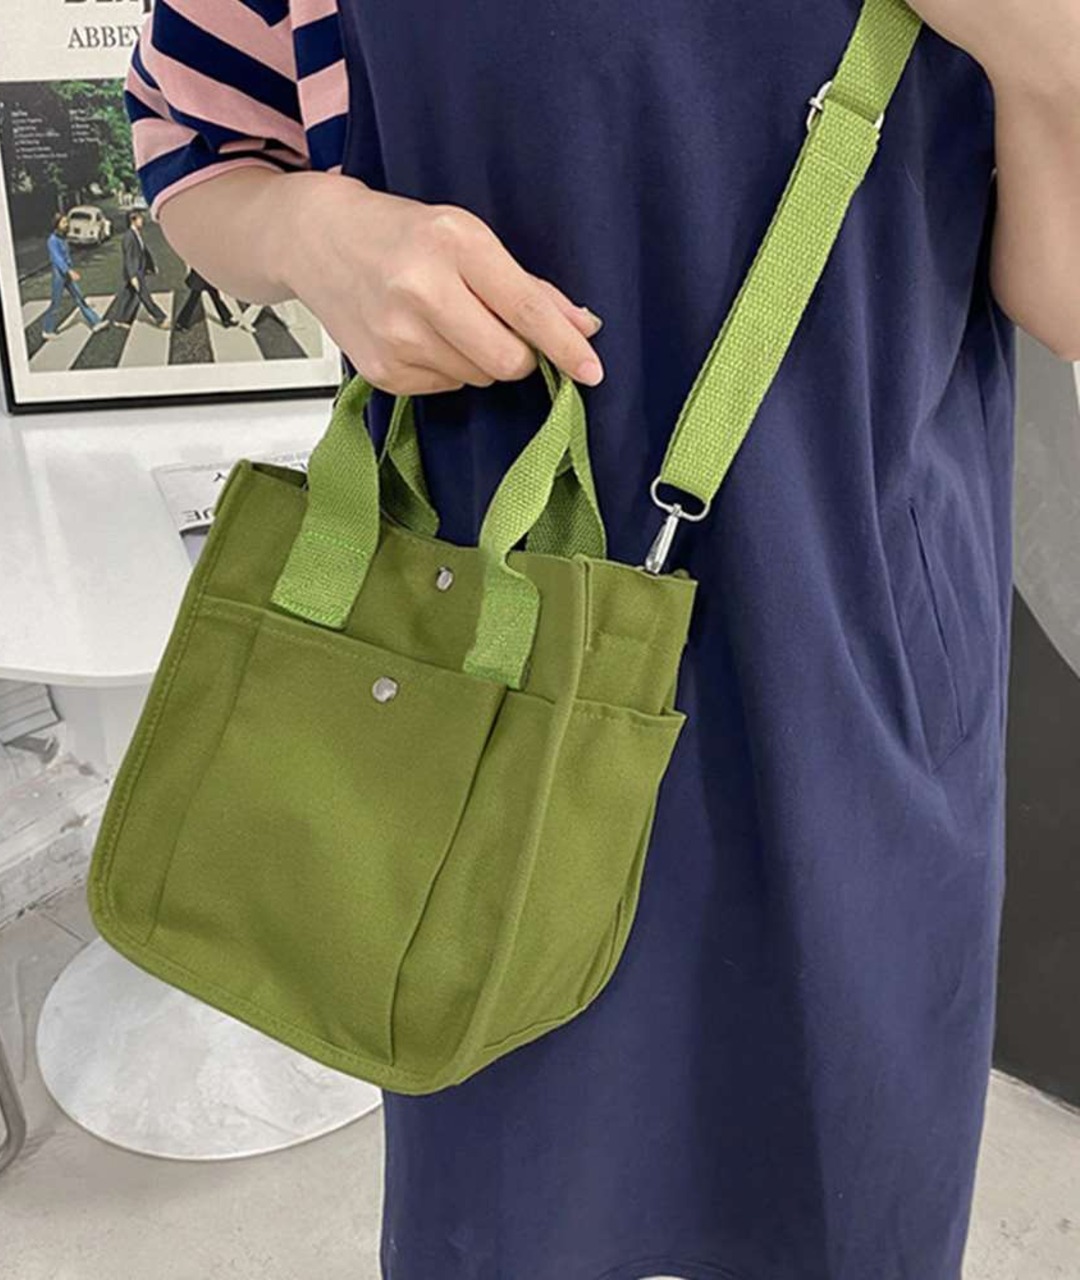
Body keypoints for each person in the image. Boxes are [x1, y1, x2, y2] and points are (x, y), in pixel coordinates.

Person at [123, 2, 1080, 1278]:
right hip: (493, 691)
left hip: (856, 686)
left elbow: (1060, 300)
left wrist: (1051, 55)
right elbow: (192, 139)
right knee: (513, 1196)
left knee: (848, 1199)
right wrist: (316, 231)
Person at [41, 214, 106, 338]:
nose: (66, 224)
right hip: (59, 274)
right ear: (57, 224)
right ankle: (47, 330)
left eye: (67, 222)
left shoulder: (63, 238)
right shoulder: (52, 240)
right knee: (56, 303)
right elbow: (57, 259)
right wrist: (69, 271)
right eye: (64, 222)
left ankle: (95, 322)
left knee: (79, 297)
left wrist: (70, 268)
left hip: (67, 272)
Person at [112, 210, 170, 329]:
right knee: (144, 296)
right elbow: (129, 258)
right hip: (135, 272)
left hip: (138, 270)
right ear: (132, 220)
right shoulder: (129, 237)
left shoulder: (136, 234)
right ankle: (160, 318)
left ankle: (120, 319)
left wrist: (151, 267)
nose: (142, 221)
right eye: (139, 218)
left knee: (129, 295)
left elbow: (143, 253)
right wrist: (133, 276)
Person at [172, 265, 261, 333]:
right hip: (203, 273)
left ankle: (226, 318)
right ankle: (181, 323)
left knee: (214, 295)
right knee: (193, 299)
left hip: (206, 273)